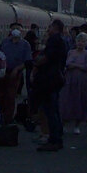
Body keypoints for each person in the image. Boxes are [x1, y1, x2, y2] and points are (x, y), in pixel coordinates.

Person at [34, 19, 67, 152]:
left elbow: (47, 57)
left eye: (50, 27)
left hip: (50, 80)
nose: (48, 29)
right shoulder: (61, 41)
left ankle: (54, 139)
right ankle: (56, 138)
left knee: (50, 110)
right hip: (55, 78)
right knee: (54, 109)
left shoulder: (54, 40)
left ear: (55, 28)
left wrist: (37, 62)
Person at [60, 31, 87, 133]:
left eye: (83, 41)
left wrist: (75, 65)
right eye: (79, 41)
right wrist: (78, 66)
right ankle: (64, 123)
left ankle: (77, 125)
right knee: (67, 100)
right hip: (70, 79)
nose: (80, 43)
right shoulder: (71, 52)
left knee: (81, 101)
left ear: (86, 43)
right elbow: (67, 64)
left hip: (83, 80)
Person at [0, 25, 32, 119]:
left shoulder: (25, 45)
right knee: (1, 95)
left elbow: (27, 61)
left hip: (15, 73)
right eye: (13, 29)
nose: (15, 31)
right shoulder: (5, 42)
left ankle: (8, 117)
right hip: (3, 72)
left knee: (10, 95)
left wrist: (17, 69)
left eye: (18, 29)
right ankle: (1, 114)